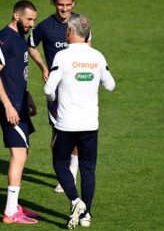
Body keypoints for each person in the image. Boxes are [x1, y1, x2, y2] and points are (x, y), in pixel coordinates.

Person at [44, 14, 115, 229]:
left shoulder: (62, 56)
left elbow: (49, 89)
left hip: (66, 124)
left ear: (70, 32)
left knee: (59, 163)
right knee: (88, 169)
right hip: (90, 124)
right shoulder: (98, 56)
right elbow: (110, 85)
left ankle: (76, 202)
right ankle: (87, 216)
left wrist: (53, 99)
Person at [28, 0, 92, 193]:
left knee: (77, 129)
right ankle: (64, 170)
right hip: (56, 89)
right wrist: (44, 67)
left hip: (78, 88)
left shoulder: (81, 23)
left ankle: (71, 172)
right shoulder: (45, 26)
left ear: (73, 3)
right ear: (54, 3)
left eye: (68, 5)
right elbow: (30, 46)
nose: (64, 9)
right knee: (58, 132)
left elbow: (88, 49)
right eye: (60, 4)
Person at [0, 0, 39, 224]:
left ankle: (14, 204)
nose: (32, 24)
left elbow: (18, 72)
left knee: (23, 154)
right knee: (18, 155)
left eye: (34, 20)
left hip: (20, 105)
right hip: (10, 108)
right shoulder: (5, 38)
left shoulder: (20, 37)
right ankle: (10, 213)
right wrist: (8, 106)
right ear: (16, 16)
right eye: (29, 19)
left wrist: (27, 95)